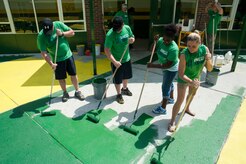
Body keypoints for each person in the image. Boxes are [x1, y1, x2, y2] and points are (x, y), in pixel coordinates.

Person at [168, 32, 213, 132]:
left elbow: (209, 69)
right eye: (189, 46)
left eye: (194, 46)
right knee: (180, 100)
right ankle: (172, 121)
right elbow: (181, 74)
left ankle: (187, 108)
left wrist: (209, 59)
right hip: (184, 79)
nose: (191, 49)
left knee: (191, 95)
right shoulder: (184, 54)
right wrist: (190, 81)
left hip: (196, 78)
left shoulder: (204, 49)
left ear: (200, 44)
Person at [37, 18, 85, 102]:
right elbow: (43, 53)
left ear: (53, 27)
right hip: (57, 59)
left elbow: (72, 33)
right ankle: (65, 92)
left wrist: (62, 33)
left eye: (50, 31)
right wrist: (51, 63)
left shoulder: (58, 24)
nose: (48, 33)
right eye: (46, 32)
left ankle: (77, 91)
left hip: (68, 55)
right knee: (61, 78)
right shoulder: (41, 36)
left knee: (73, 74)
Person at [147, 24, 179, 114]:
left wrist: (152, 66)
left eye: (168, 40)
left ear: (173, 39)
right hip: (164, 67)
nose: (165, 42)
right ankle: (171, 99)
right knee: (169, 83)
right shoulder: (161, 40)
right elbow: (151, 49)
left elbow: (167, 65)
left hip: (171, 69)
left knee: (165, 87)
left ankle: (163, 108)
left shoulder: (174, 49)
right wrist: (155, 42)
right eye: (164, 39)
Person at [104, 16, 135, 104]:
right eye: (115, 29)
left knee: (126, 76)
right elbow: (107, 50)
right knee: (117, 79)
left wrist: (132, 40)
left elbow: (132, 37)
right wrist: (114, 62)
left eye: (119, 28)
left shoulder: (127, 28)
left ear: (123, 24)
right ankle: (118, 94)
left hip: (126, 58)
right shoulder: (110, 35)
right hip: (116, 60)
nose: (117, 31)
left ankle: (124, 89)